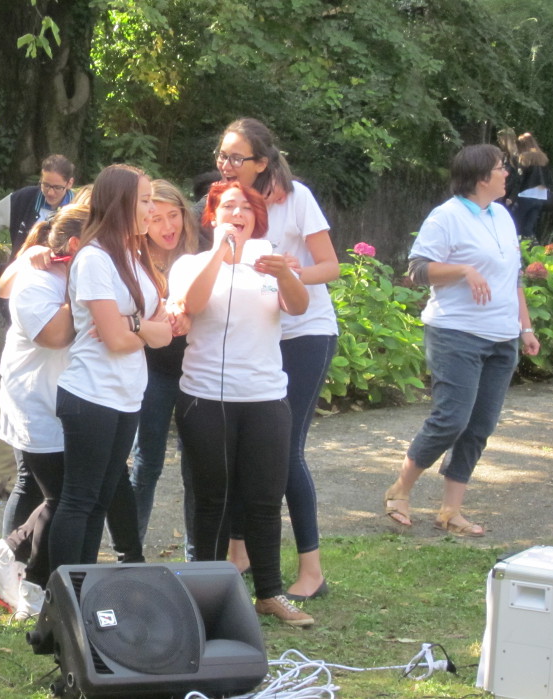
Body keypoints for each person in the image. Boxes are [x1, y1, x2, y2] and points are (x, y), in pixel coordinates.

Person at [171, 181, 313, 626]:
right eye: (227, 205)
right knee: (211, 497)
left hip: (266, 397)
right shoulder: (191, 263)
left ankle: (269, 593)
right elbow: (190, 304)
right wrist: (220, 252)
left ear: (257, 217)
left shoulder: (271, 261)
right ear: (211, 216)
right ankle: (204, 592)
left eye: (246, 206)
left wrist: (285, 273)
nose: (238, 212)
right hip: (205, 399)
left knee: (265, 499)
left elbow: (299, 307)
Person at [212, 118, 339, 601]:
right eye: (222, 156)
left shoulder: (296, 197)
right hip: (259, 334)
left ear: (261, 163)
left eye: (235, 158)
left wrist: (286, 273)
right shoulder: (226, 202)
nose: (225, 165)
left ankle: (312, 571)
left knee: (286, 454)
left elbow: (331, 267)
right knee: (246, 449)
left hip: (305, 333)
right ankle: (238, 554)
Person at [383, 144, 539, 536]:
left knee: (479, 426)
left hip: (503, 338)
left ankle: (451, 510)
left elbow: (512, 277)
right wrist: (463, 270)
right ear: (482, 177)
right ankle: (400, 489)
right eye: (502, 168)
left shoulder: (502, 215)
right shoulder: (446, 217)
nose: (508, 174)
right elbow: (417, 270)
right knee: (452, 418)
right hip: (456, 333)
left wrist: (526, 327)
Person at [49, 164, 171, 569]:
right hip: (91, 395)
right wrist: (141, 329)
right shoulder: (95, 259)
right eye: (146, 200)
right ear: (120, 203)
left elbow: (165, 332)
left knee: (100, 500)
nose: (153, 210)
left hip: (126, 395)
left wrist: (134, 324)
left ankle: (85, 588)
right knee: (80, 499)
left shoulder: (135, 259)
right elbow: (116, 341)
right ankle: (63, 594)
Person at [0, 205, 86, 620]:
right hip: (33, 395)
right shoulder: (40, 272)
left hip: (55, 393)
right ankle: (17, 575)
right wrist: (28, 257)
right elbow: (6, 288)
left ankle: (13, 573)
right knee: (50, 492)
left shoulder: (70, 269)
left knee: (41, 488)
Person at [129, 180, 197, 544]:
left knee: (196, 467)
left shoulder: (199, 256)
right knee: (146, 464)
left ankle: (196, 557)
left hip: (195, 372)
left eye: (175, 216)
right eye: (157, 219)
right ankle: (130, 552)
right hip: (151, 371)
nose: (168, 227)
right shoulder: (130, 260)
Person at [0, 154, 76, 266]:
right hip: (20, 276)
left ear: (69, 183)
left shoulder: (80, 208)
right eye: (46, 185)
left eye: (57, 187)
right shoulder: (23, 198)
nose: (50, 192)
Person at [513, 132, 553, 243]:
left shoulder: (524, 156)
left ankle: (517, 251)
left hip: (525, 195)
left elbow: (520, 178)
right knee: (528, 229)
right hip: (540, 197)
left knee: (516, 225)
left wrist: (512, 195)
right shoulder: (543, 157)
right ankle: (534, 249)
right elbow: (549, 178)